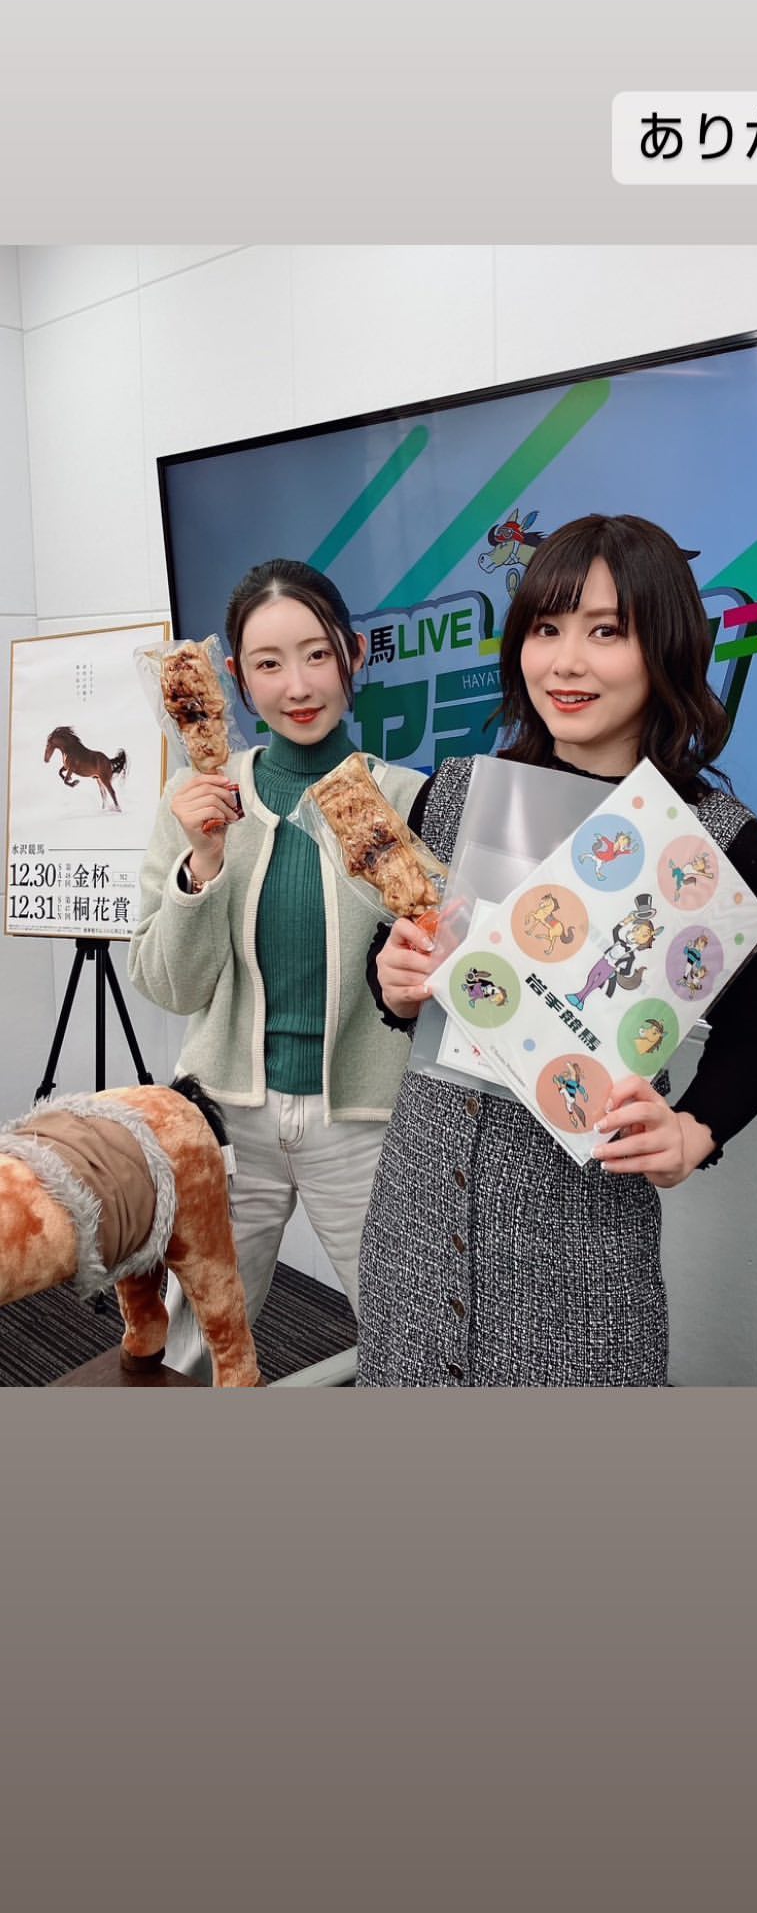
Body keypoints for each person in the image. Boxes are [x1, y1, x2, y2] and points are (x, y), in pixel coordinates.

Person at [360, 513, 757, 1387]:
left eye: (606, 632)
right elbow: (401, 963)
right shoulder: (458, 793)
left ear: (666, 645)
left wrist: (695, 1132)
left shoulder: (719, 843)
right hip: (415, 1216)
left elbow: (755, 1038)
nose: (565, 662)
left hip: (579, 1248)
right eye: (546, 629)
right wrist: (394, 980)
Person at [130, 558, 423, 1380]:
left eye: (317, 655)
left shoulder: (407, 800)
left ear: (354, 655)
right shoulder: (199, 799)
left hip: (364, 1119)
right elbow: (168, 985)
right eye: (268, 663)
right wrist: (202, 863)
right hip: (227, 1120)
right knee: (193, 1343)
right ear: (235, 677)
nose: (297, 686)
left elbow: (439, 980)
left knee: (408, 1333)